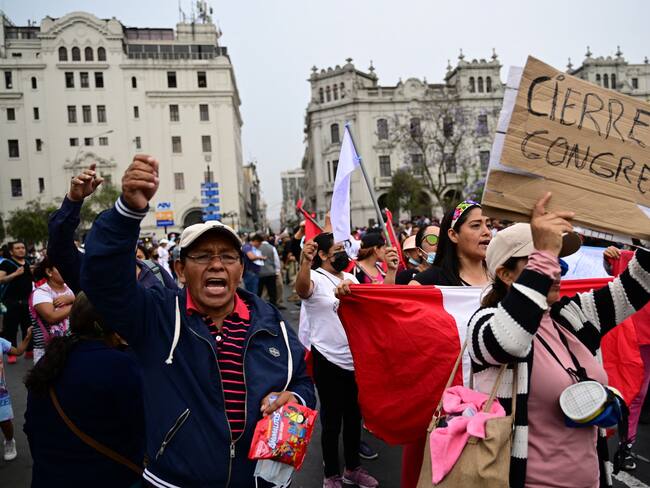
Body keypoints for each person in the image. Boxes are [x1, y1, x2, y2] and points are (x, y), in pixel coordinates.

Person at [80, 154, 315, 487]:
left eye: (228, 257)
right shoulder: (156, 317)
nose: (216, 265)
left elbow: (303, 380)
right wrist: (126, 213)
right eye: (203, 256)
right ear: (179, 270)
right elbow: (101, 281)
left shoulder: (269, 321)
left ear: (240, 270)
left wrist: (297, 399)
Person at [467, 193, 650, 488]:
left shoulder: (571, 315)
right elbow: (511, 341)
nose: (556, 269)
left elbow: (638, 284)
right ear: (505, 274)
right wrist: (545, 255)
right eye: (540, 259)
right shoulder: (483, 324)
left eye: (558, 260)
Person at [24, 292, 145, 487]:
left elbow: (31, 425)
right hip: (105, 477)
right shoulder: (120, 365)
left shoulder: (50, 359)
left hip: (48, 476)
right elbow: (142, 426)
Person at [296, 232, 379, 488]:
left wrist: (389, 273)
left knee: (354, 418)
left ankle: (353, 469)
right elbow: (301, 290)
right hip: (326, 358)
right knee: (332, 421)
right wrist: (304, 264)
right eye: (337, 249)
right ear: (322, 254)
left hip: (354, 360)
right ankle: (331, 474)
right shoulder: (316, 278)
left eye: (344, 248)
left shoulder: (352, 278)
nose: (343, 253)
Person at [47, 164, 177, 293]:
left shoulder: (155, 271)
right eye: (108, 236)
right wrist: (73, 201)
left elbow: (177, 306)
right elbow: (59, 247)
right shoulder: (87, 271)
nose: (117, 241)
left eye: (124, 233)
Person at [410, 200, 492, 287]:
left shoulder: (502, 276)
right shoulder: (424, 283)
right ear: (453, 235)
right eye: (476, 225)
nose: (487, 232)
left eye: (488, 225)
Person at [29, 257, 75, 364]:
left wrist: (72, 299)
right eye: (62, 268)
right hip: (49, 352)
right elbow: (51, 317)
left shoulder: (71, 288)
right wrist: (76, 303)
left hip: (73, 347)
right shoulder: (41, 292)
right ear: (49, 272)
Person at [0, 326, 32, 461]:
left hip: (0, 393)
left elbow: (18, 351)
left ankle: (9, 441)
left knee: (4, 421)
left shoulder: (1, 342)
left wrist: (28, 336)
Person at [0, 241, 35, 364]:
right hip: (11, 301)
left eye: (22, 247)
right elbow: (1, 279)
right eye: (17, 248)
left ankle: (29, 349)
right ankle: (11, 353)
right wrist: (15, 274)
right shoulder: (6, 263)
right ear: (11, 251)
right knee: (11, 328)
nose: (21, 250)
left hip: (27, 301)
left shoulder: (28, 263)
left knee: (28, 326)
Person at [257, 236, 281, 307]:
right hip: (270, 272)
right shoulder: (272, 247)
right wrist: (277, 271)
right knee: (272, 292)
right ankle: (273, 307)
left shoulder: (256, 247)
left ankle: (257, 306)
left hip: (259, 272)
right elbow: (276, 260)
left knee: (259, 291)